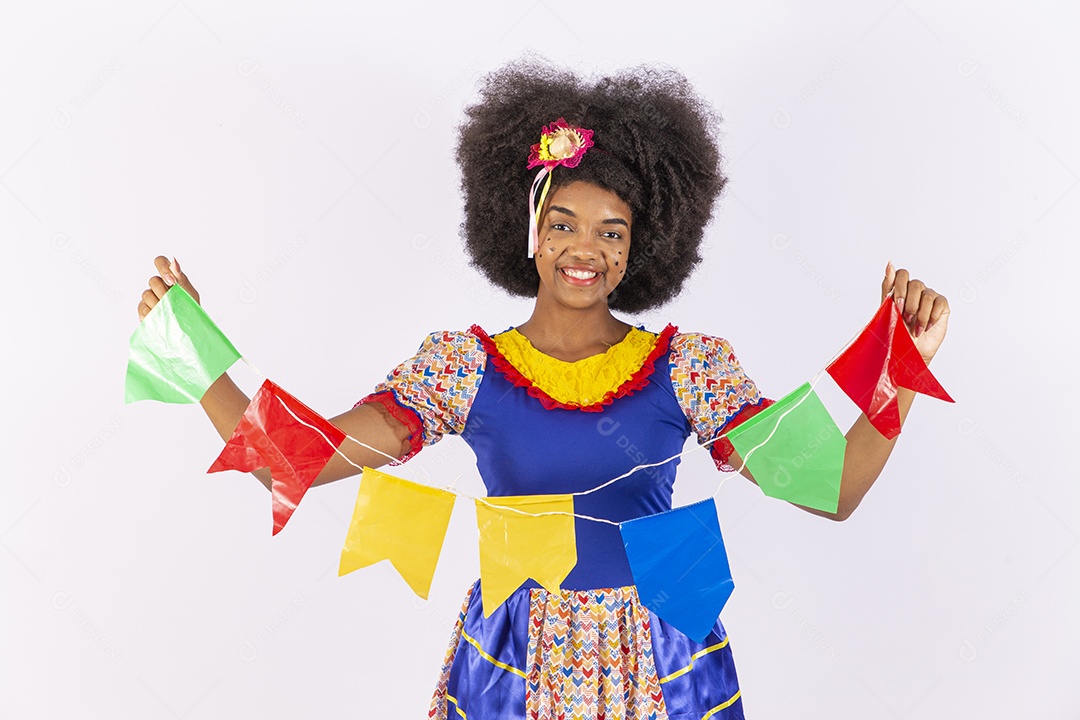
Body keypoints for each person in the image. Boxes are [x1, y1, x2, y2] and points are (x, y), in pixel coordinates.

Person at [136, 58, 950, 719]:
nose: (584, 249)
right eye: (563, 223)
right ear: (528, 231)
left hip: (661, 663)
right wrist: (193, 356)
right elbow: (293, 463)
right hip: (515, 660)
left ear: (638, 251)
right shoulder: (461, 367)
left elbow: (833, 489)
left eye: (612, 231)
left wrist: (900, 369)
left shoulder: (689, 366)